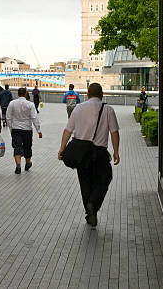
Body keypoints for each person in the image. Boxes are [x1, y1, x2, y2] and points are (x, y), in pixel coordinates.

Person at [58, 83, 120, 228]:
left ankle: (89, 211)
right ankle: (93, 205)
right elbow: (114, 132)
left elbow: (68, 130)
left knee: (85, 182)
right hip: (99, 153)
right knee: (104, 178)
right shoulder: (108, 110)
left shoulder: (78, 108)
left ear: (88, 94)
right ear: (102, 94)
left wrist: (62, 149)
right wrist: (116, 152)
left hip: (81, 153)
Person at [6, 87, 42, 174]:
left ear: (18, 94)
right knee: (27, 146)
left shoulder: (12, 103)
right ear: (26, 94)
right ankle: (27, 162)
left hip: (16, 129)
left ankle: (18, 165)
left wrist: (11, 128)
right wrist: (39, 130)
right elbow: (34, 118)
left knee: (17, 146)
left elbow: (8, 117)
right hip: (27, 129)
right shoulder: (30, 104)